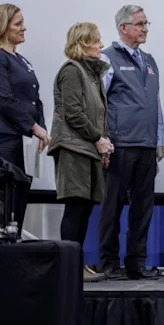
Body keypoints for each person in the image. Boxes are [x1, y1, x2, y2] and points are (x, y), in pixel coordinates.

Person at [98, 5, 164, 280]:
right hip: (120, 144)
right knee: (112, 206)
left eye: (146, 23)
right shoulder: (107, 58)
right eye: (139, 24)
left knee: (142, 208)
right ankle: (109, 262)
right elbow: (98, 101)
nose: (145, 28)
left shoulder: (149, 61)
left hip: (146, 145)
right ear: (123, 27)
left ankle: (136, 263)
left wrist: (159, 138)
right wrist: (102, 139)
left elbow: (155, 103)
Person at [47, 22, 112, 283]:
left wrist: (104, 142)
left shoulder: (91, 73)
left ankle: (76, 266)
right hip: (74, 148)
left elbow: (98, 113)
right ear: (83, 43)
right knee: (75, 208)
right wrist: (98, 139)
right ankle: (69, 269)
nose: (101, 45)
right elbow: (73, 113)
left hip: (88, 149)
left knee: (84, 209)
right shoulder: (72, 71)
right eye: (96, 41)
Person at [0, 3, 49, 235]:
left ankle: (13, 247)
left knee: (20, 201)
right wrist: (34, 126)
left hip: (23, 139)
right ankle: (0, 257)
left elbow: (34, 99)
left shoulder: (21, 60)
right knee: (6, 201)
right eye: (18, 24)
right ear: (2, 27)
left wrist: (41, 129)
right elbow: (3, 100)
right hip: (1, 137)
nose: (24, 28)